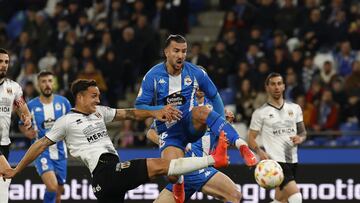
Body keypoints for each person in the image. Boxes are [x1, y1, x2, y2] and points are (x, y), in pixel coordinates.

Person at [2, 79, 229, 203]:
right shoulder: (66, 121)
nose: (98, 99)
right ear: (80, 97)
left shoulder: (100, 112)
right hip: (106, 172)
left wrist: (155, 111)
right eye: (94, 95)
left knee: (165, 167)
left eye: (99, 96)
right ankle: (213, 159)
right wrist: (17, 169)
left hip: (105, 185)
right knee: (163, 165)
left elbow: (128, 113)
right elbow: (39, 144)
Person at [135, 34, 256, 203]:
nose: (180, 55)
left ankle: (243, 146)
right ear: (166, 52)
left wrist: (222, 125)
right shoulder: (155, 78)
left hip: (199, 166)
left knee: (235, 195)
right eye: (176, 51)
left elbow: (217, 122)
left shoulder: (208, 111)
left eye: (184, 51)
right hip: (181, 156)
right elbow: (148, 127)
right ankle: (178, 180)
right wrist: (161, 123)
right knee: (173, 172)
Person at [147, 88, 242, 203]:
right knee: (234, 195)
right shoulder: (180, 105)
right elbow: (151, 133)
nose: (201, 88)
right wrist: (171, 143)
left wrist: (225, 123)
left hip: (198, 165)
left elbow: (221, 133)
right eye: (198, 85)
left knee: (234, 195)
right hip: (188, 162)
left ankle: (180, 181)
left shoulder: (214, 107)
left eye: (203, 85)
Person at [248, 72, 306, 203]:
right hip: (275, 162)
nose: (276, 87)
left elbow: (303, 133)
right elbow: (250, 138)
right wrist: (259, 151)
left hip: (292, 160)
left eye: (279, 84)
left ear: (284, 86)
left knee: (281, 200)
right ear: (267, 87)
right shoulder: (260, 113)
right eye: (273, 84)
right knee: (296, 197)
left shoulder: (295, 108)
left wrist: (300, 138)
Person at [19, 71, 71, 203]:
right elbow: (21, 124)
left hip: (60, 152)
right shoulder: (30, 105)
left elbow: (72, 123)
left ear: (53, 83)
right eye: (43, 81)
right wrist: (26, 132)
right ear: (38, 85)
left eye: (49, 81)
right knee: (52, 187)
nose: (47, 84)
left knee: (59, 192)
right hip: (41, 152)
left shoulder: (64, 103)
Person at [0, 48, 32, 203]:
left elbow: (22, 108)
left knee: (3, 182)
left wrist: (26, 118)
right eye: (0, 61)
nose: (4, 65)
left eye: (6, 62)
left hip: (4, 142)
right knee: (6, 173)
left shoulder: (13, 87)